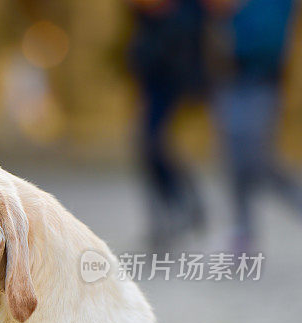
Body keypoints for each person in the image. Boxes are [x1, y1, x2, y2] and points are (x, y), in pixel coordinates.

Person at [209, 0, 302, 253]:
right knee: (234, 159)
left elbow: (267, 39)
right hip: (229, 77)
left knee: (255, 158)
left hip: (262, 80)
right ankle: (243, 232)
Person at [128, 0, 208, 248]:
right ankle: (171, 215)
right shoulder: (148, 19)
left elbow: (186, 45)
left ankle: (183, 208)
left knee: (154, 145)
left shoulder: (186, 14)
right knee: (149, 148)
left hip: (173, 83)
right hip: (153, 83)